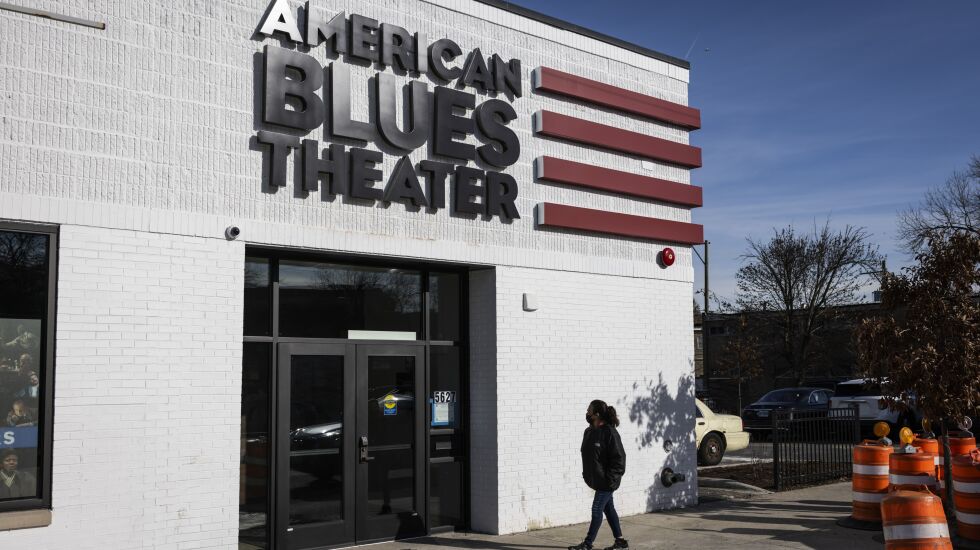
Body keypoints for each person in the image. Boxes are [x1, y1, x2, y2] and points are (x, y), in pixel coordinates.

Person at [569, 400, 628, 550]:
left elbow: (619, 459)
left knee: (596, 509)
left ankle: (588, 544)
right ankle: (620, 542)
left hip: (606, 482)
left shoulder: (610, 433)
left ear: (597, 414)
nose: (587, 413)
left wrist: (610, 479)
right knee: (609, 509)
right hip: (597, 481)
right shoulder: (589, 432)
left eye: (589, 410)